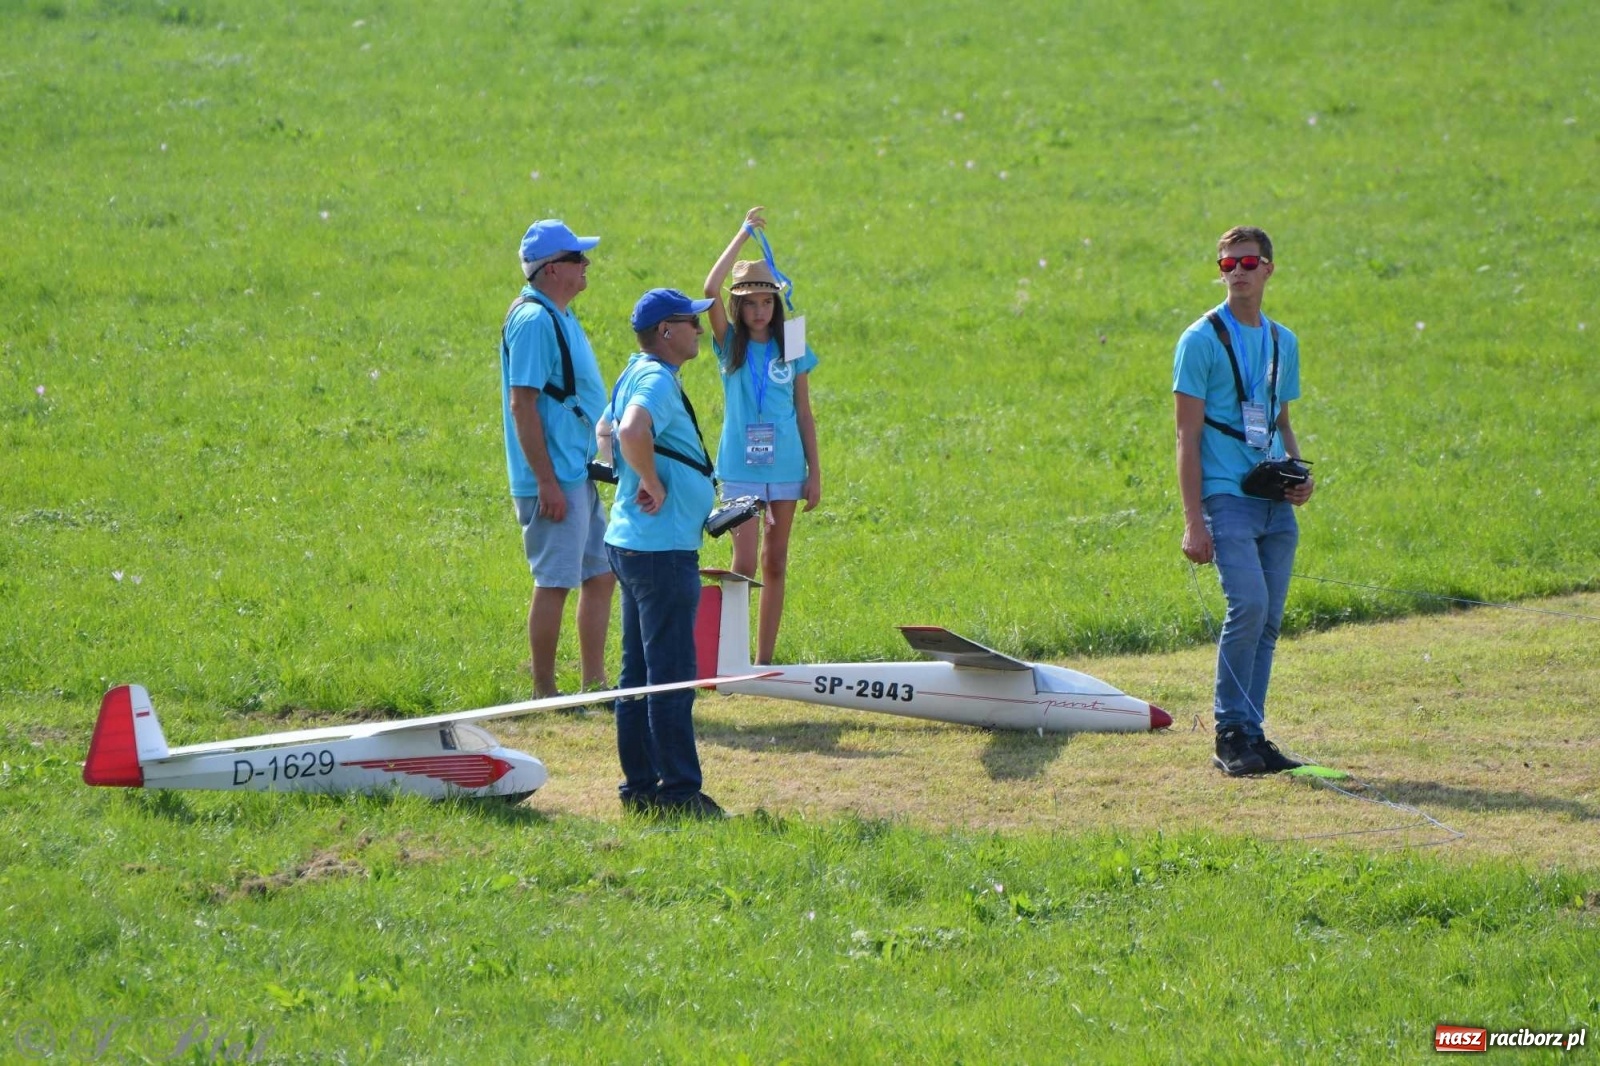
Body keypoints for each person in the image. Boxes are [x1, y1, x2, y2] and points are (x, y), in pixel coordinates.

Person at [1173, 226, 1316, 776]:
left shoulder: (1284, 341)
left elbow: (1281, 420)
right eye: (1227, 264)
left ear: (1269, 269)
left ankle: (1254, 734)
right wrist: (1194, 521)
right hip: (1226, 498)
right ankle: (1229, 732)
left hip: (1273, 499)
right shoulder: (1201, 340)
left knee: (1270, 620)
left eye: (1248, 262)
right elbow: (1186, 437)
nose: (1237, 271)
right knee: (1248, 607)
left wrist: (1300, 477)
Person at [604, 287, 724, 818]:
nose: (700, 329)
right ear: (666, 332)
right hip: (663, 551)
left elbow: (607, 429)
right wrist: (650, 478)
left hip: (631, 544)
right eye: (690, 322)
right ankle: (678, 794)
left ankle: (639, 789)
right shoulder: (654, 376)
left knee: (636, 676)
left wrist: (634, 475)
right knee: (672, 678)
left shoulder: (635, 369)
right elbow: (629, 429)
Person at [501, 219, 616, 698]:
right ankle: (545, 692)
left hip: (574, 469)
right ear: (551, 270)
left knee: (602, 572)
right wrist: (545, 481)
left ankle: (594, 683)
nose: (586, 264)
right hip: (554, 477)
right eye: (576, 259)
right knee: (554, 582)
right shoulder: (533, 321)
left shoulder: (557, 313)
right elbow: (522, 404)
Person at [702, 207, 822, 664]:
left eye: (766, 301)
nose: (759, 311)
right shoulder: (728, 342)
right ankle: (729, 658)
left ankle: (764, 661)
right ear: (738, 306)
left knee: (776, 563)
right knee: (744, 564)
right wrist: (742, 233)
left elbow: (804, 411)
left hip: (788, 467)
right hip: (739, 467)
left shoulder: (792, 339)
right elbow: (708, 290)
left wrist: (815, 473)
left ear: (776, 303)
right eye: (750, 302)